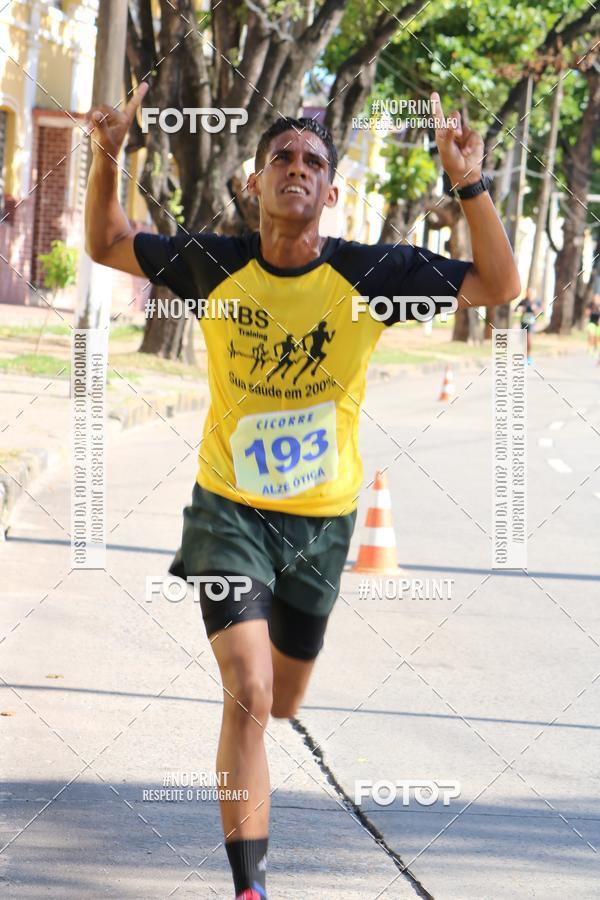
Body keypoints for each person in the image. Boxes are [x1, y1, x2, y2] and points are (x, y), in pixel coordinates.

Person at [84, 84, 520, 899]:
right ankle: (249, 888)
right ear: (254, 184)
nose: (296, 168)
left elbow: (498, 284)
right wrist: (107, 154)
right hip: (229, 511)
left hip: (322, 522)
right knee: (248, 693)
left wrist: (469, 182)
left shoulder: (371, 274)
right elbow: (108, 242)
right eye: (280, 157)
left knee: (283, 699)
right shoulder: (215, 263)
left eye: (313, 161)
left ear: (331, 192)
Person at [515, 287, 541, 365]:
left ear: (534, 294)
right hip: (523, 323)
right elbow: (516, 309)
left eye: (531, 293)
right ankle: (524, 356)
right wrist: (520, 309)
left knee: (529, 341)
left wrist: (535, 309)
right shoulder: (523, 301)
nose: (530, 294)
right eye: (528, 292)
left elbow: (540, 312)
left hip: (531, 324)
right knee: (523, 341)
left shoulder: (537, 301)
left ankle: (528, 357)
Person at [585, 294, 600, 359]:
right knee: (591, 335)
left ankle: (596, 350)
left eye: (598, 299)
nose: (596, 300)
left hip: (598, 324)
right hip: (591, 323)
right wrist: (589, 312)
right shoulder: (590, 305)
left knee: (597, 338)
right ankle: (590, 349)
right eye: (595, 299)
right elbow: (586, 314)